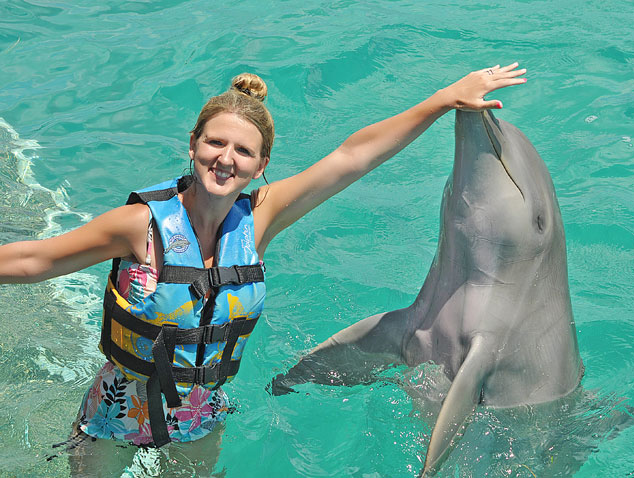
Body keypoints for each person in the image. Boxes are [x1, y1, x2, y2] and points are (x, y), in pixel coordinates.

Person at [0, 64, 526, 475]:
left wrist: (441, 100)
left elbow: (351, 157)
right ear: (192, 145)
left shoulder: (259, 219)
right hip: (115, 413)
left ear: (261, 165)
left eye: (243, 151)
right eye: (215, 142)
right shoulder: (139, 225)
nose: (226, 158)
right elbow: (35, 259)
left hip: (199, 418)